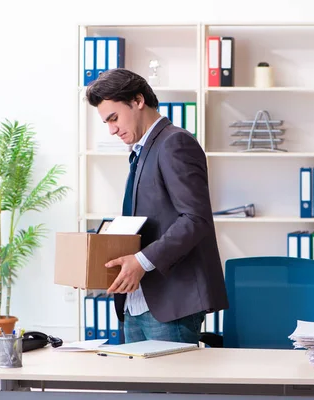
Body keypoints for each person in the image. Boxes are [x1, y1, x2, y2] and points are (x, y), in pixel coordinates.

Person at [85, 68, 229, 344]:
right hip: (137, 299)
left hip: (169, 301)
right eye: (106, 122)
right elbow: (150, 221)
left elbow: (195, 218)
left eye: (114, 118)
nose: (111, 129)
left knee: (168, 388)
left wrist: (141, 261)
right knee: (138, 388)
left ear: (138, 101)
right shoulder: (142, 150)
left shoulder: (175, 143)